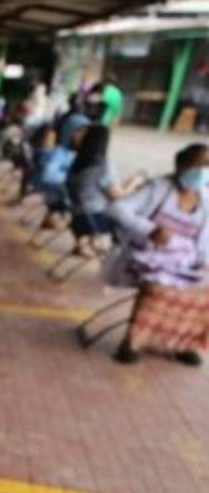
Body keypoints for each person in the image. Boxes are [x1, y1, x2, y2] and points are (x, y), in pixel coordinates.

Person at [109, 142, 209, 366]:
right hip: (148, 254)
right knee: (158, 289)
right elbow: (117, 208)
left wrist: (203, 261)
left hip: (184, 260)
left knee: (204, 292)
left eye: (207, 167)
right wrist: (150, 229)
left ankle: (183, 343)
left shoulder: (205, 197)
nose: (203, 172)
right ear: (181, 166)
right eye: (198, 166)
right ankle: (131, 343)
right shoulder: (159, 187)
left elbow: (204, 239)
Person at [64, 124, 142, 257]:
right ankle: (120, 258)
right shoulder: (103, 165)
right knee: (133, 221)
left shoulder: (77, 163)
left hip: (76, 219)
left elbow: (102, 189)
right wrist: (134, 183)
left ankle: (90, 244)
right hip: (95, 221)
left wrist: (126, 185)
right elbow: (117, 195)